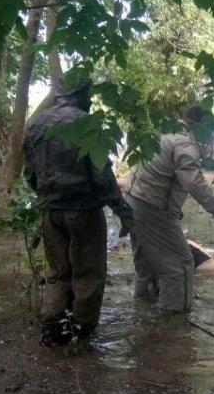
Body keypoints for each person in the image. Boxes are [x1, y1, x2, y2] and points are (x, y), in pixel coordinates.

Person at [23, 82, 134, 347]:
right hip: (84, 211)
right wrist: (122, 210)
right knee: (89, 272)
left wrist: (46, 199)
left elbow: (30, 174)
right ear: (79, 94)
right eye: (88, 95)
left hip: (51, 212)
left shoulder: (36, 124)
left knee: (58, 271)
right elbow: (101, 174)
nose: (91, 101)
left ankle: (53, 326)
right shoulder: (87, 123)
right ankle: (80, 330)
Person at [124, 106, 214, 314]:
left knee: (146, 264)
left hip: (131, 201)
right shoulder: (184, 142)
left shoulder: (164, 130)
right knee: (181, 266)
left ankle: (142, 317)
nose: (211, 137)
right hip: (152, 208)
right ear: (198, 125)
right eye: (211, 131)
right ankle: (174, 323)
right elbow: (194, 183)